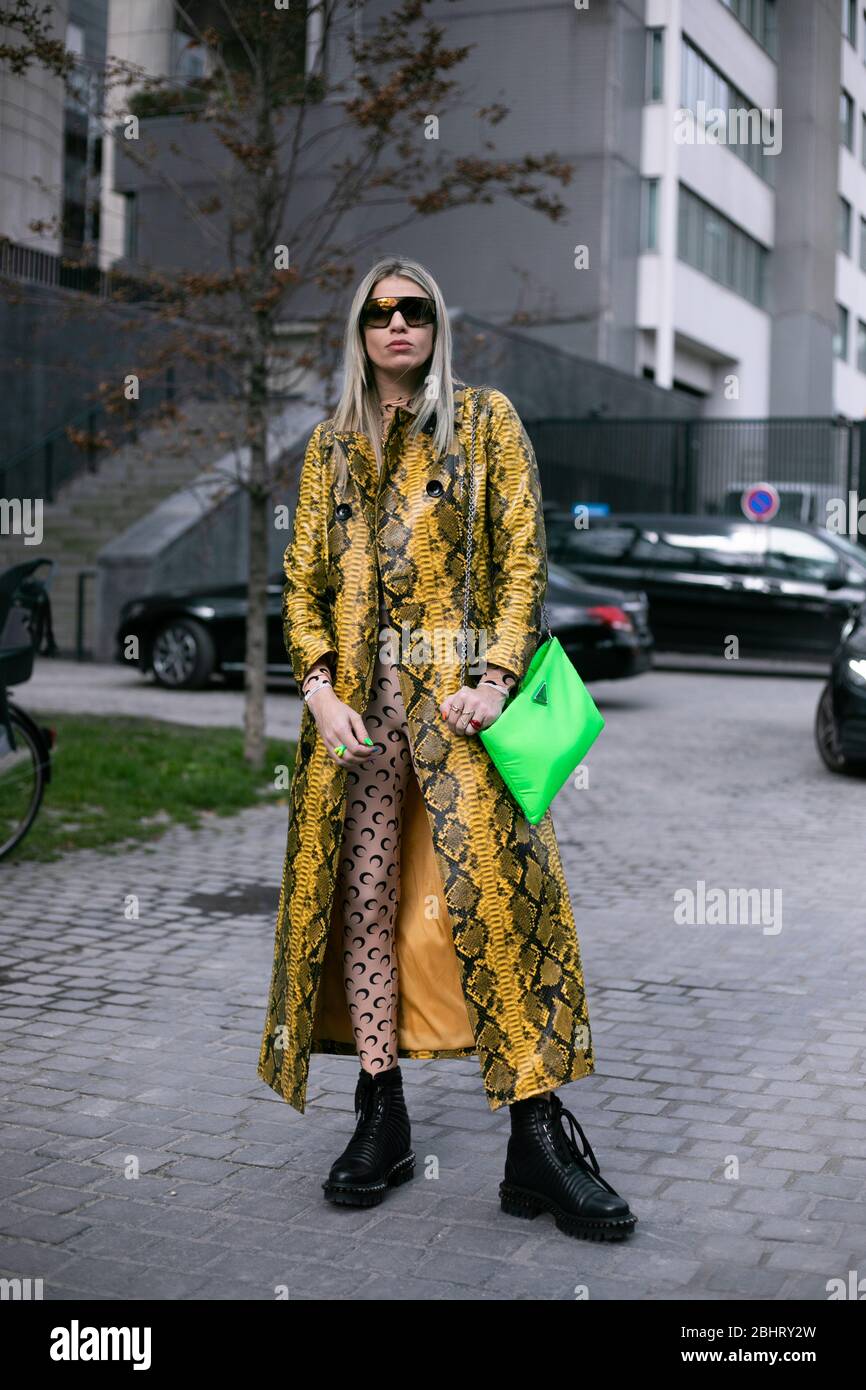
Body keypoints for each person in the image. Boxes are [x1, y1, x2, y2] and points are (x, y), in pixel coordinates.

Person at [257, 256, 636, 1241]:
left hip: (461, 721)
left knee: (497, 914)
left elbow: (520, 560)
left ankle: (538, 1142)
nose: (395, 326)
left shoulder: (482, 424)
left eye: (411, 310)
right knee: (368, 904)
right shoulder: (328, 448)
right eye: (378, 313)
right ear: (358, 330)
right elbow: (299, 587)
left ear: (433, 324)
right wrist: (315, 689)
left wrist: (495, 679)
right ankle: (378, 1116)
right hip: (355, 733)